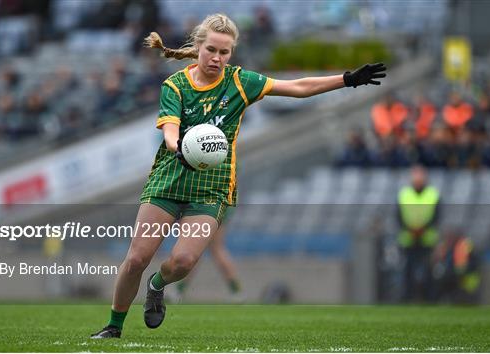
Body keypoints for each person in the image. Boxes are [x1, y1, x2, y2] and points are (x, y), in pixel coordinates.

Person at [91, 13, 386, 339]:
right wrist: (179, 149)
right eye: (212, 50)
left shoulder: (240, 82)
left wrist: (346, 79)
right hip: (170, 178)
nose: (217, 58)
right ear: (198, 47)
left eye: (225, 52)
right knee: (136, 259)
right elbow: (171, 133)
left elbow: (297, 87)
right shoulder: (174, 86)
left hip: (212, 187)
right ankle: (113, 327)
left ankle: (157, 285)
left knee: (184, 262)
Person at [397, 165, 440, 302]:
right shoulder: (404, 194)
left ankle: (430, 300)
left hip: (427, 239)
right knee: (407, 271)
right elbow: (398, 216)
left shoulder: (433, 194)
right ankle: (407, 299)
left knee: (429, 272)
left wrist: (422, 229)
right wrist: (410, 229)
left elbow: (437, 216)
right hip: (408, 239)